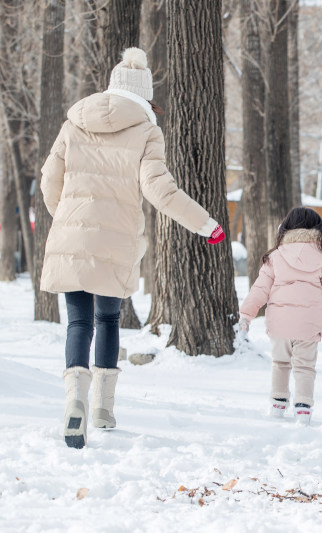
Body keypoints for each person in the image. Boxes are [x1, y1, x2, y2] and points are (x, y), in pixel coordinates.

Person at [40, 48, 225, 449]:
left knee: (77, 322)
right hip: (117, 238)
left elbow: (48, 179)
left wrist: (66, 218)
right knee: (108, 319)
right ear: (144, 95)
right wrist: (206, 224)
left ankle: (75, 398)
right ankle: (103, 408)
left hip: (70, 238)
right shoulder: (145, 129)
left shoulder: (74, 122)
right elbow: (159, 189)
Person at [239, 207, 322, 425]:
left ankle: (278, 404)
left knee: (280, 362)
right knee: (305, 366)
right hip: (309, 324)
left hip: (279, 322)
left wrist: (246, 315)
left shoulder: (275, 257)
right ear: (318, 228)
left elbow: (259, 289)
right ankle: (303, 408)